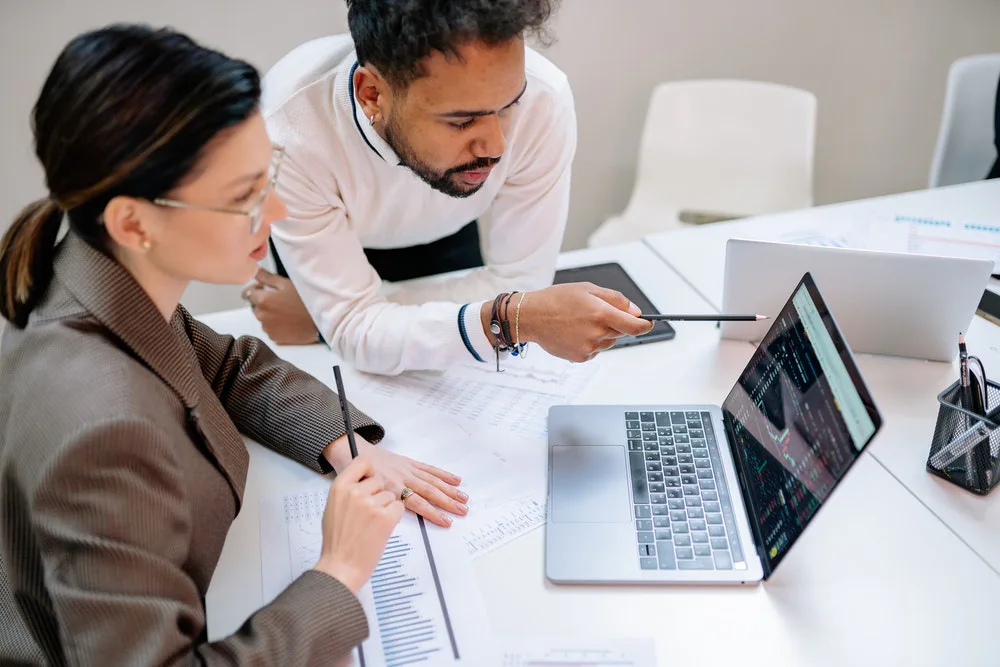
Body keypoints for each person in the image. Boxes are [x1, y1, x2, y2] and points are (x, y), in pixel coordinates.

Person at [0, 25, 467, 665]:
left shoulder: (96, 275)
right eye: (244, 197)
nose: (275, 213)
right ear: (133, 221)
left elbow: (222, 365)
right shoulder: (103, 431)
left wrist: (340, 438)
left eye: (266, 179)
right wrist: (338, 572)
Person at [244, 0, 653, 373]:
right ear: (371, 95)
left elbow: (520, 286)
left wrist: (326, 322)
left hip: (449, 227)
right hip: (337, 232)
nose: (496, 147)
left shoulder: (544, 99)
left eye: (509, 106)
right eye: (461, 121)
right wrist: (350, 326)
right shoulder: (289, 131)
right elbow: (358, 331)